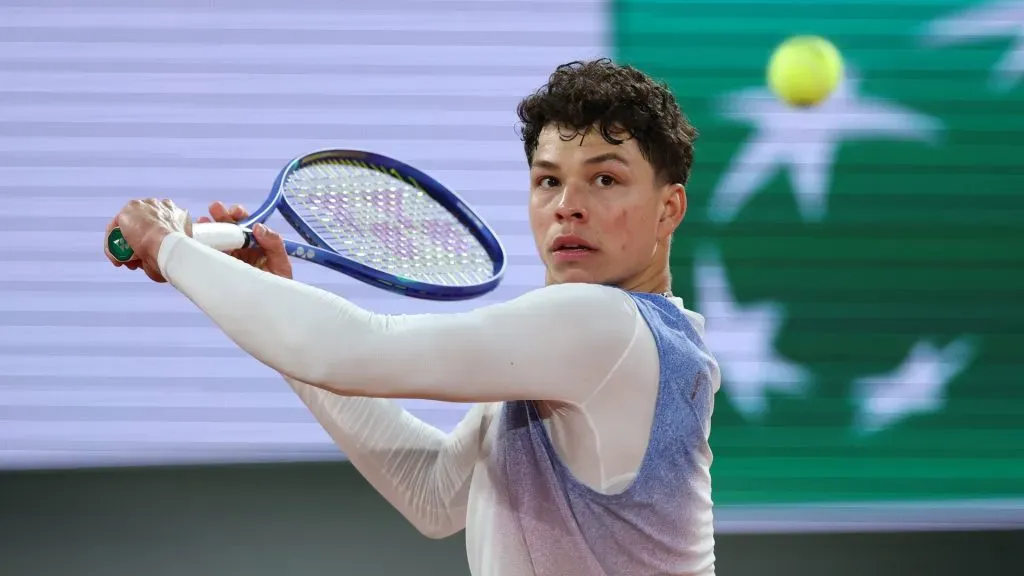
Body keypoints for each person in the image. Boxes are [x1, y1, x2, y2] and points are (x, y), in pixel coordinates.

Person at [105, 59, 719, 576]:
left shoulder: (604, 329)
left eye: (605, 179)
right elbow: (433, 495)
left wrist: (167, 245)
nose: (567, 207)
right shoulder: (599, 350)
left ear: (670, 209)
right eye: (547, 180)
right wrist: (265, 292)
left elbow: (351, 350)